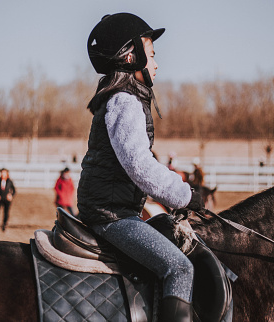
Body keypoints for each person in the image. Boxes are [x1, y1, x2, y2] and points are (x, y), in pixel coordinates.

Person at [77, 13, 204, 321]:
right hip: (113, 216)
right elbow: (140, 166)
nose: (157, 63)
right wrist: (185, 196)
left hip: (114, 210)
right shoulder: (125, 101)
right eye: (152, 54)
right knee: (180, 268)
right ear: (131, 55)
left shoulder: (122, 98)